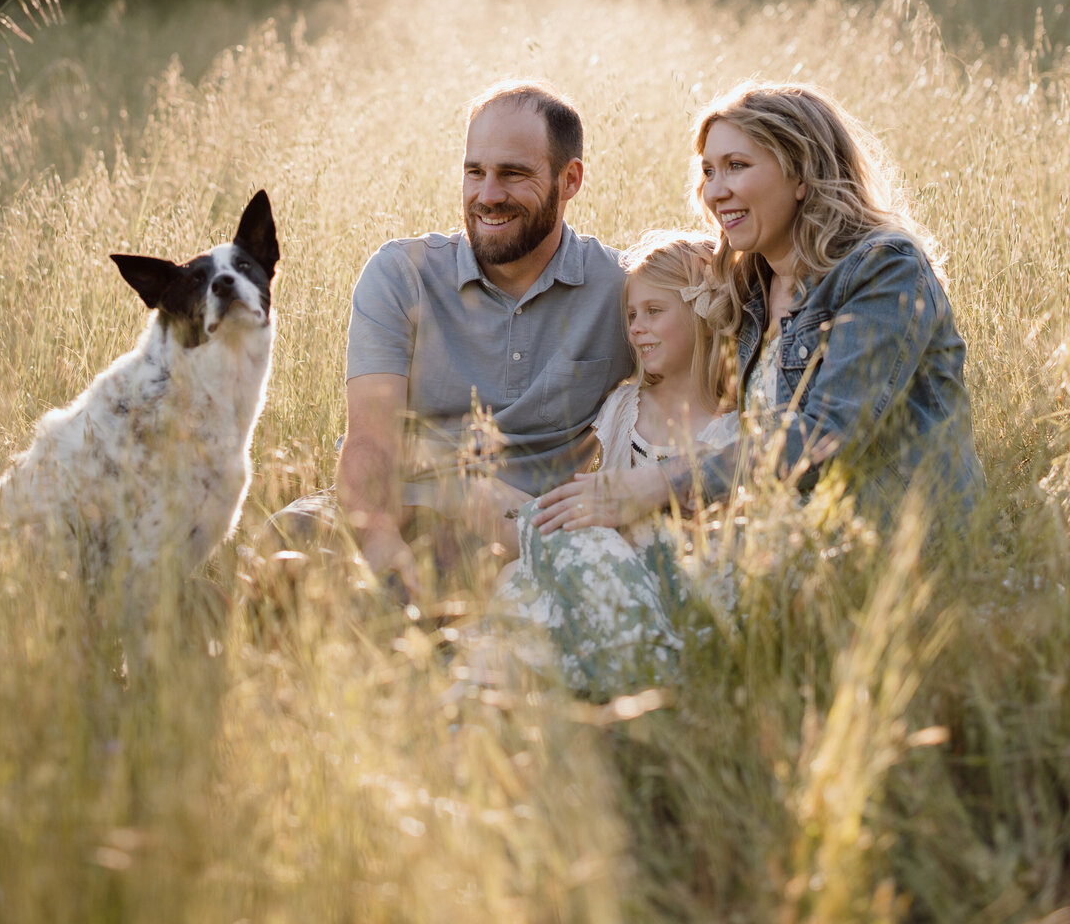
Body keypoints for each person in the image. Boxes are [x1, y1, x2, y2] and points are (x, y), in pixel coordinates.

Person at [535, 82, 985, 543]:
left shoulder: (882, 268)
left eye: (737, 166)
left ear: (801, 174)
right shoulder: (749, 281)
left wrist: (658, 482)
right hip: (777, 545)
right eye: (709, 171)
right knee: (568, 551)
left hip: (888, 549)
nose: (716, 191)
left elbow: (825, 438)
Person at [265, 80, 634, 596]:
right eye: (474, 172)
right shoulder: (402, 273)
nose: (487, 195)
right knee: (282, 542)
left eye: (513, 174)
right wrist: (378, 539)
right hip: (390, 504)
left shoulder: (620, 289)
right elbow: (370, 435)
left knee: (415, 586)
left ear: (569, 180)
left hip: (516, 528)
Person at [477, 232, 735, 699]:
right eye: (632, 315)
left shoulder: (729, 427)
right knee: (514, 578)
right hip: (598, 564)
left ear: (703, 314)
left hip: (673, 574)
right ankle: (499, 693)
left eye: (655, 312)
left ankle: (642, 678)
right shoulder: (624, 405)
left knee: (536, 552)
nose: (637, 328)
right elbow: (592, 480)